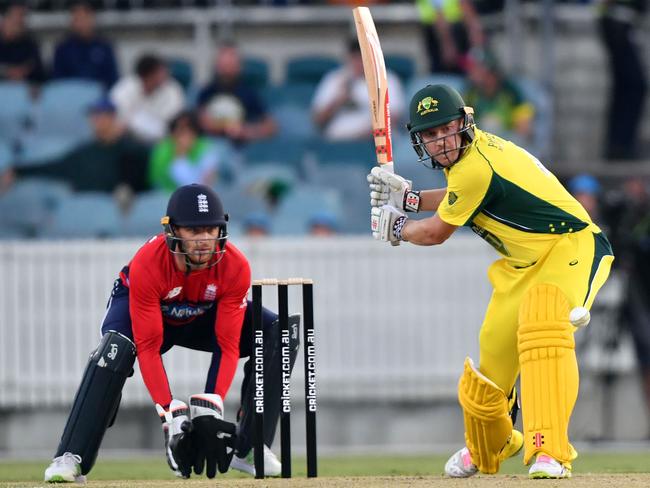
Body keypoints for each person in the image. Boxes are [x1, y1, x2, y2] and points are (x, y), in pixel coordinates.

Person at [368, 84, 614, 478]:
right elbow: (458, 195)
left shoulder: (475, 166)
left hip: (569, 246)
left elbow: (435, 233)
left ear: (463, 123)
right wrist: (409, 199)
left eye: (445, 129)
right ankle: (490, 447)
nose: (440, 142)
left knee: (544, 324)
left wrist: (397, 226)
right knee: (491, 370)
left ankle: (549, 452)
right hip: (521, 265)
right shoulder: (469, 162)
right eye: (429, 136)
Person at [43, 184, 299, 483]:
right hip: (145, 316)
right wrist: (169, 413)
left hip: (202, 314)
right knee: (116, 349)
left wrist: (210, 409)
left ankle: (249, 449)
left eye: (211, 229)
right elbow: (149, 347)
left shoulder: (235, 266)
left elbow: (227, 345)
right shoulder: (149, 263)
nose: (204, 240)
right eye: (194, 231)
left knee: (278, 331)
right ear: (173, 231)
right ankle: (70, 456)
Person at [5, 98, 150, 195]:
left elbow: (152, 171)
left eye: (101, 115)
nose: (96, 120)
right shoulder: (83, 153)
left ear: (112, 117)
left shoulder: (131, 149)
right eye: (93, 115)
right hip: (87, 211)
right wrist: (19, 171)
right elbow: (52, 166)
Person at [311, 38, 405, 141]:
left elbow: (393, 119)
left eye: (363, 57)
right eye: (355, 57)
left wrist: (363, 136)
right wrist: (339, 100)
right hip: (337, 142)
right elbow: (318, 121)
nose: (359, 62)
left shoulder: (386, 78)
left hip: (375, 142)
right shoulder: (335, 79)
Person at [197, 42, 276, 145]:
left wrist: (247, 131)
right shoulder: (207, 92)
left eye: (230, 64)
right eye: (223, 65)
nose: (226, 70)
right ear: (216, 66)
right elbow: (202, 122)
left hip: (243, 148)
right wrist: (226, 127)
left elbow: (271, 127)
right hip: (213, 144)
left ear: (239, 66)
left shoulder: (249, 93)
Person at [598, 0, 647, 160]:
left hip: (622, 21)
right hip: (617, 19)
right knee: (634, 86)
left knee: (627, 87)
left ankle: (619, 145)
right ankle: (620, 145)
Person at [463, 49, 535, 148]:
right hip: (481, 142)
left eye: (476, 68)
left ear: (490, 71)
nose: (471, 73)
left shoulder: (511, 91)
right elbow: (464, 124)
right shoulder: (471, 92)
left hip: (508, 141)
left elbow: (524, 126)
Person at [110, 53, 185, 143]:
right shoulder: (125, 87)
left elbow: (171, 125)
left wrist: (134, 122)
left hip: (161, 143)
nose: (166, 76)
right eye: (161, 73)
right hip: (128, 141)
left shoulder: (173, 90)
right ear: (148, 76)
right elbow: (118, 121)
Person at [148, 110, 223, 193]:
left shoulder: (206, 148)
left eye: (189, 130)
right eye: (180, 130)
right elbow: (157, 183)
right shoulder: (162, 151)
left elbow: (204, 185)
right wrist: (180, 155)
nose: (184, 136)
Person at [52, 0, 119, 90]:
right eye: (77, 19)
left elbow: (113, 79)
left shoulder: (105, 46)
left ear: (92, 18)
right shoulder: (62, 48)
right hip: (70, 97)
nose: (81, 23)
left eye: (84, 18)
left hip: (100, 98)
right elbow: (57, 81)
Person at [415, 0, 485, 74]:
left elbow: (439, 13)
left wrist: (447, 43)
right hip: (448, 29)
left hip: (444, 32)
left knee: (448, 74)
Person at [0, 2, 45, 84]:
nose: (21, 21)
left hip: (22, 93)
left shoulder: (30, 45)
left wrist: (26, 73)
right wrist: (6, 72)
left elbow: (40, 74)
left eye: (23, 16)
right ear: (5, 19)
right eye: (17, 16)